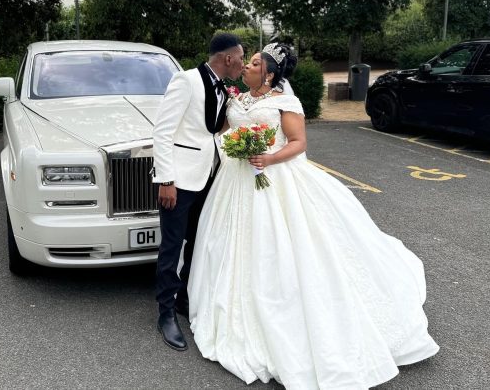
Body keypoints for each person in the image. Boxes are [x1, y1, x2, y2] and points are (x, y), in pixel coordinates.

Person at [188, 43, 439, 389]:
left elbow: (297, 142)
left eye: (256, 62)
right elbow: (219, 132)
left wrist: (268, 159)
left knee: (287, 248)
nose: (247, 65)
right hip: (234, 184)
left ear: (270, 73)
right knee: (229, 245)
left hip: (274, 178)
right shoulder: (235, 99)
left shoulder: (285, 102)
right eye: (249, 61)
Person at [152, 33, 245, 351]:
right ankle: (165, 314)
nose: (243, 65)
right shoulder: (186, 80)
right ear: (228, 58)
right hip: (179, 181)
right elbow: (162, 131)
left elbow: (211, 130)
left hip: (208, 177)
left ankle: (183, 300)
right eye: (242, 58)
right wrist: (166, 180)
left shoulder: (225, 89)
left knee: (198, 242)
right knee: (171, 247)